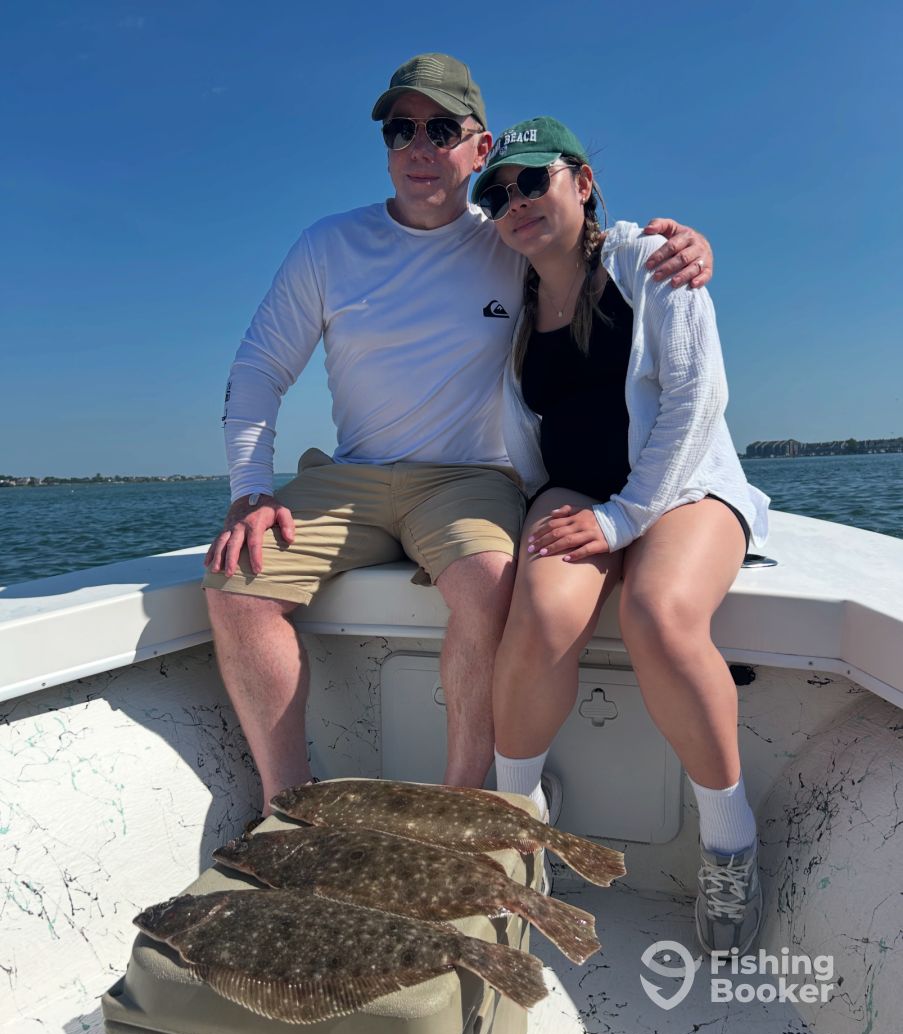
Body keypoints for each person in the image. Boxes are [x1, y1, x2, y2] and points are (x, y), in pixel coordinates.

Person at [201, 54, 714, 817]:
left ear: (480, 150)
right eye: (399, 128)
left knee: (491, 589)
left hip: (469, 478)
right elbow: (258, 368)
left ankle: (461, 803)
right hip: (353, 475)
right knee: (238, 588)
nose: (418, 145)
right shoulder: (326, 246)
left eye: (442, 128)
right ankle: (288, 808)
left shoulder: (509, 233)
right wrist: (250, 490)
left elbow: (592, 239)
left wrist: (686, 246)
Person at [476, 116, 769, 954]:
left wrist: (624, 519)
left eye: (533, 180)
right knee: (536, 612)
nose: (514, 202)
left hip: (681, 490)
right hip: (573, 491)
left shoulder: (649, 262)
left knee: (659, 616)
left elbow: (694, 399)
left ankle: (728, 840)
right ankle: (516, 817)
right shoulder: (511, 295)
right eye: (496, 194)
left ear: (581, 180)